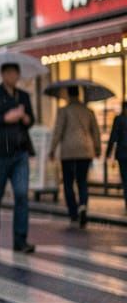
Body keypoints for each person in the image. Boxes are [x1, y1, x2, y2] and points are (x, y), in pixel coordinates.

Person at [0, 62, 35, 252]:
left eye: (15, 73)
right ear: (3, 75)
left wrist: (25, 118)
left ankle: (20, 239)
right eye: (9, 73)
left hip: (20, 152)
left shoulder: (23, 96)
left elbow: (31, 120)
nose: (13, 77)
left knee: (21, 194)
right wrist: (6, 117)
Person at [49, 86, 100, 228]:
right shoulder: (88, 111)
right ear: (79, 94)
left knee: (68, 183)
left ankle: (73, 213)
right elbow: (95, 131)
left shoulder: (63, 111)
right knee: (82, 181)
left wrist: (52, 150)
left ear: (68, 94)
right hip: (85, 150)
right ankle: (83, 205)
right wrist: (97, 149)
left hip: (68, 152)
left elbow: (58, 131)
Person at [107, 101, 127, 211]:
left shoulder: (119, 119)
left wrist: (108, 153)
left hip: (122, 154)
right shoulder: (118, 119)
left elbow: (113, 137)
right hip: (122, 154)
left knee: (125, 180)